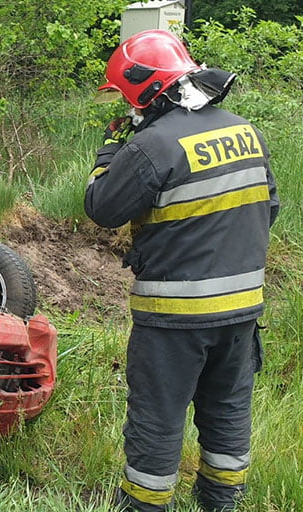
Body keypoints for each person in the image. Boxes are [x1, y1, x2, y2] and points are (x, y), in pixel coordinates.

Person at [84, 29, 279, 512]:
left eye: (126, 97)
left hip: (174, 316)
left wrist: (108, 156)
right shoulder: (246, 131)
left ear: (145, 90)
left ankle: (145, 504)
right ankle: (221, 499)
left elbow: (102, 208)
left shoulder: (152, 146)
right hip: (241, 310)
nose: (126, 107)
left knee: (157, 416)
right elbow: (268, 208)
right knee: (228, 409)